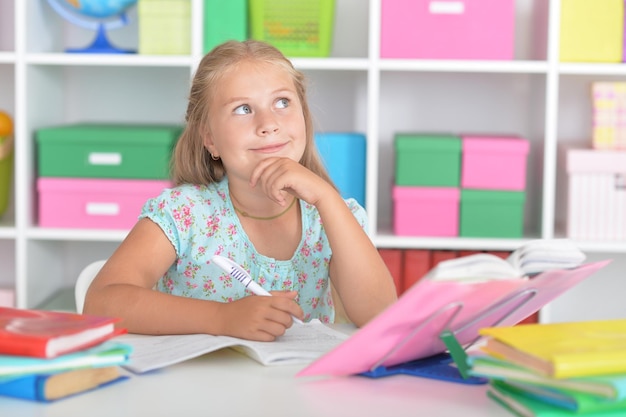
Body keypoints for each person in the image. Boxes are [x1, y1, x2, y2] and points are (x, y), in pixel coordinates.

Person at [83, 40, 397, 342]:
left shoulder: (333, 216)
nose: (268, 123)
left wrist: (326, 198)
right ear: (210, 139)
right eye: (243, 109)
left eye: (282, 102)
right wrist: (223, 319)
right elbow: (101, 303)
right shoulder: (184, 213)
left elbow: (381, 315)